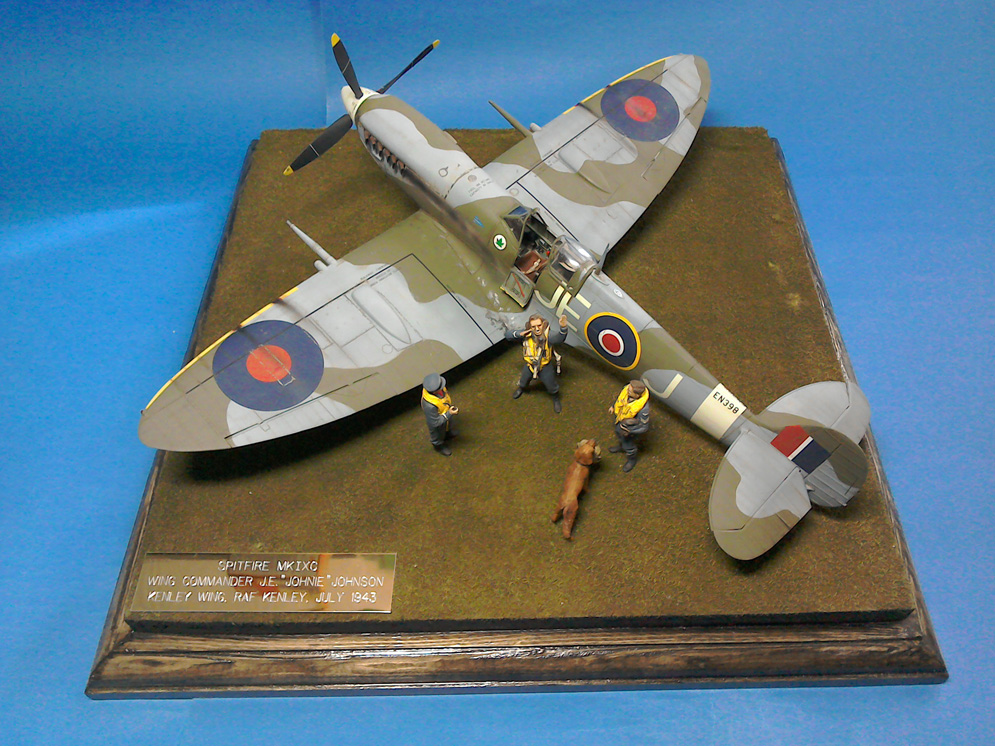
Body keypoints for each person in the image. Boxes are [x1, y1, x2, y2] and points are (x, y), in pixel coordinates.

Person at [505, 314, 568, 413]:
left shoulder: (548, 335)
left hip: (544, 367)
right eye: (533, 326)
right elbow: (508, 335)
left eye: (539, 325)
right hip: (530, 365)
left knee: (551, 385)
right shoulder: (526, 334)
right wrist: (519, 334)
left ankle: (555, 398)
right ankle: (522, 388)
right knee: (524, 380)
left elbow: (559, 338)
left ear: (543, 324)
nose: (537, 329)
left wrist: (563, 328)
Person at [609, 380, 650, 472]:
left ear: (637, 395)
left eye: (630, 391)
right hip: (620, 421)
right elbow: (620, 399)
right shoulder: (626, 392)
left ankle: (632, 460)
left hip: (629, 430)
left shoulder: (643, 409)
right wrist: (613, 406)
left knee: (629, 446)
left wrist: (629, 431)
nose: (627, 390)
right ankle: (621, 446)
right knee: (619, 436)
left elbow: (644, 427)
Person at [421, 373, 459, 456]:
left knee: (448, 425)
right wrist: (449, 413)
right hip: (438, 423)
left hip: (445, 413)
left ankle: (448, 434)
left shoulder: (441, 389)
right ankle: (438, 446)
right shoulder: (430, 406)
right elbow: (435, 423)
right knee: (437, 435)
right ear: (434, 391)